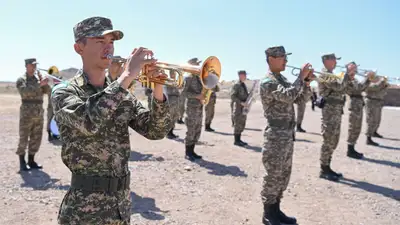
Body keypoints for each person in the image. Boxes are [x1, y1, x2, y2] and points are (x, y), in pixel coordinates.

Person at [51, 16, 171, 225]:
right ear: (79, 47)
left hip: (120, 206)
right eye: (100, 42)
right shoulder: (65, 92)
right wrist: (125, 78)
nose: (108, 48)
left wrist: (158, 88)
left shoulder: (120, 92)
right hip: (83, 210)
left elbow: (155, 131)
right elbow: (89, 122)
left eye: (111, 42)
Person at [259, 46, 313, 225]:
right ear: (271, 58)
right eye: (282, 57)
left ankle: (276, 210)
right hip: (276, 135)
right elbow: (289, 96)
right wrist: (300, 77)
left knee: (283, 175)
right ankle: (268, 214)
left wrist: (306, 83)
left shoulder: (281, 79)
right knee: (273, 174)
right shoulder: (268, 81)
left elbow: (300, 99)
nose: (286, 61)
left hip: (287, 134)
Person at [318, 53, 353, 181]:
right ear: (327, 61)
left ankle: (327, 165)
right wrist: (347, 75)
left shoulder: (333, 75)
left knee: (334, 139)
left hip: (336, 110)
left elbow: (344, 89)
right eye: (334, 60)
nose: (336, 62)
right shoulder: (324, 74)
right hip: (329, 111)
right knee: (328, 138)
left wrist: (349, 77)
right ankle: (324, 169)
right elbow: (338, 86)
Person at [16, 58, 49, 171]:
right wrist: (40, 84)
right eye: (32, 65)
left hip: (39, 112)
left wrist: (44, 82)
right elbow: (25, 91)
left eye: (35, 65)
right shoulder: (22, 79)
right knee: (24, 137)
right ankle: (22, 162)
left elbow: (47, 91)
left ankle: (31, 160)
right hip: (27, 113)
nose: (34, 67)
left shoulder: (37, 79)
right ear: (27, 66)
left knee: (36, 137)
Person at [345, 64, 374, 159]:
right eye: (353, 68)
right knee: (353, 127)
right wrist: (367, 79)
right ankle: (350, 150)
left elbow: (363, 88)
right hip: (354, 105)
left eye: (355, 68)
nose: (356, 69)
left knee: (357, 127)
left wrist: (368, 80)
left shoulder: (354, 79)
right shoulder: (347, 79)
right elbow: (358, 88)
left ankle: (352, 147)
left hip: (358, 104)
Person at [182, 57, 204, 161]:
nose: (199, 66)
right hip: (191, 108)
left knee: (197, 129)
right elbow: (183, 93)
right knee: (191, 130)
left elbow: (214, 88)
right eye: (197, 64)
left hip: (199, 107)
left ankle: (192, 151)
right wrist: (196, 96)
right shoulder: (188, 78)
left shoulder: (201, 78)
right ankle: (188, 152)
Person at [364, 76, 390, 145]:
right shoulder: (368, 84)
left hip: (378, 102)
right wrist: (382, 81)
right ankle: (368, 138)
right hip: (371, 102)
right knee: (371, 120)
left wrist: (385, 86)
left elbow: (383, 93)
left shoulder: (379, 84)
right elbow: (375, 88)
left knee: (377, 120)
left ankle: (374, 132)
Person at [230, 70, 249, 146]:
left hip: (243, 107)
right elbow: (232, 96)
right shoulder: (237, 85)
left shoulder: (243, 84)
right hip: (238, 107)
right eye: (244, 75)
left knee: (242, 123)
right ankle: (236, 141)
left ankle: (239, 139)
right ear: (241, 75)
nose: (246, 77)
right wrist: (241, 102)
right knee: (238, 123)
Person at [47, 74, 62, 141]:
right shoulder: (51, 88)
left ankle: (56, 135)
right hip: (51, 107)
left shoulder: (61, 88)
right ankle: (49, 134)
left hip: (58, 107)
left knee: (57, 121)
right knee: (50, 120)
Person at [165, 71, 181, 139]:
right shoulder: (168, 81)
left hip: (176, 100)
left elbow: (180, 88)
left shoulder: (177, 81)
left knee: (175, 117)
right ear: (170, 74)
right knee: (170, 117)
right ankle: (168, 133)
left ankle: (171, 132)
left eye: (174, 74)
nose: (173, 75)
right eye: (172, 73)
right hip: (170, 100)